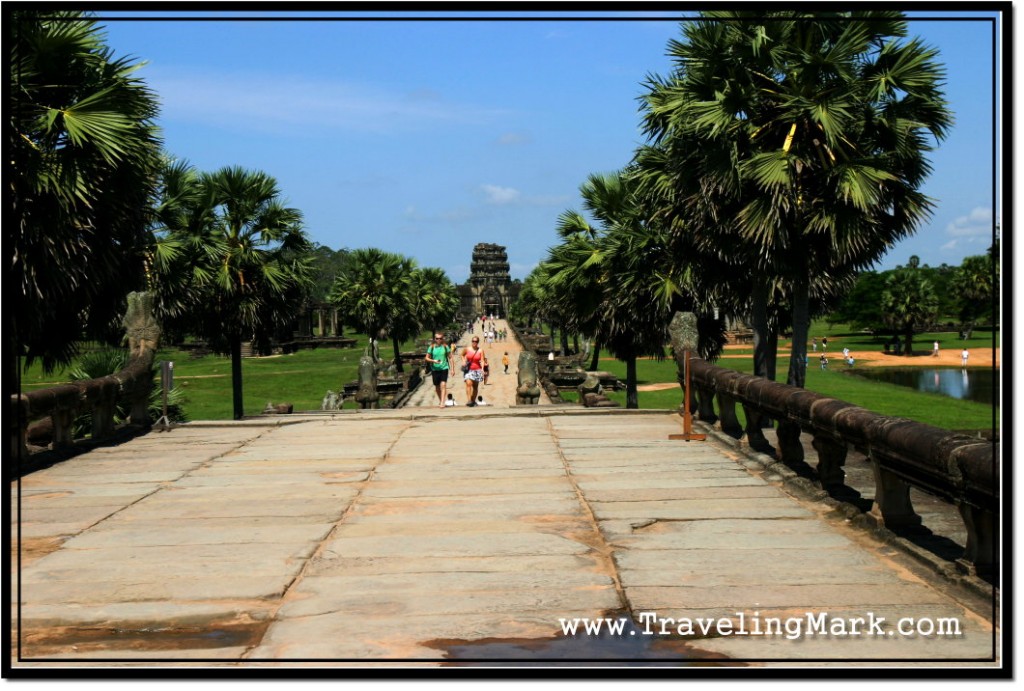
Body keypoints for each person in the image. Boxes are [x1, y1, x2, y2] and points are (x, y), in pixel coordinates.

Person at [425, 333, 453, 409]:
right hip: (435, 369)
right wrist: (433, 361)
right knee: (437, 387)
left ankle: (442, 402)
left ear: (442, 339)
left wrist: (452, 369)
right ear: (435, 339)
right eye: (437, 338)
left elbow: (450, 357)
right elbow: (426, 358)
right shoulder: (431, 347)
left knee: (443, 385)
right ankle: (441, 400)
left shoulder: (445, 347)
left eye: (440, 338)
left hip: (444, 368)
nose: (439, 340)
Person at [463, 336, 487, 406]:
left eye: (476, 341)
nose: (474, 342)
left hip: (477, 369)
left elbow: (482, 360)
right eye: (473, 341)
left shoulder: (480, 350)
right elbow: (462, 355)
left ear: (478, 342)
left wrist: (482, 368)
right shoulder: (467, 349)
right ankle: (469, 400)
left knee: (475, 386)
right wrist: (464, 361)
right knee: (468, 384)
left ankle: (473, 400)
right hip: (468, 369)